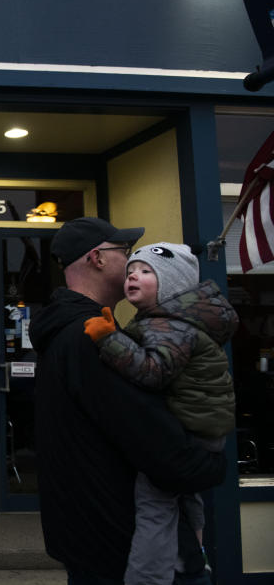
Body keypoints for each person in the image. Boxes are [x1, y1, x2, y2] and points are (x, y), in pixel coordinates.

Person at [29, 217, 227, 584]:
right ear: (97, 259)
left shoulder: (71, 331)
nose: (131, 261)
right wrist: (210, 465)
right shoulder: (89, 337)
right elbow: (149, 436)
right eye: (125, 253)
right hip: (120, 543)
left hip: (93, 535)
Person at [82, 242, 237, 585]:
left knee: (154, 506)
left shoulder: (168, 325)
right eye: (131, 271)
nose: (133, 276)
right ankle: (195, 558)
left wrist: (108, 339)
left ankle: (148, 578)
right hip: (203, 431)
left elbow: (153, 371)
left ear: (172, 283)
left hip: (187, 432)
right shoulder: (176, 320)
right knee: (186, 496)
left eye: (146, 271)